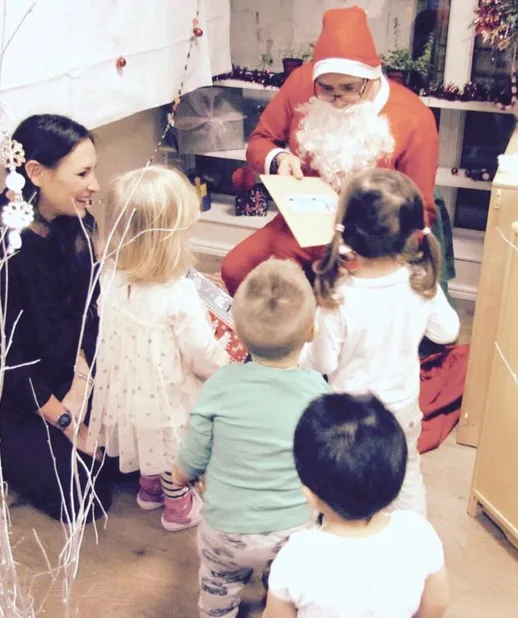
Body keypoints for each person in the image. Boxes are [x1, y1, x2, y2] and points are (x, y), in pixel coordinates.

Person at [0, 114, 117, 523]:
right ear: (35, 172)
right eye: (83, 173)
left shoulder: (71, 219)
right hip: (2, 392)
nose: (95, 185)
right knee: (85, 496)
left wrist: (82, 383)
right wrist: (68, 420)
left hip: (61, 371)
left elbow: (85, 309)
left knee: (133, 455)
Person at [220, 6, 439, 296]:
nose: (337, 100)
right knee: (235, 270)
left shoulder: (414, 116)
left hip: (367, 244)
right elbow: (260, 142)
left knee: (346, 308)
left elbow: (421, 211)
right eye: (326, 88)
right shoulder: (301, 83)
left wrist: (380, 253)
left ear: (372, 78)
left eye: (349, 88)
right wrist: (279, 159)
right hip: (300, 227)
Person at [172, 259, 330, 618]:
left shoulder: (221, 384)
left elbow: (196, 449)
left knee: (217, 584)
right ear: (311, 332)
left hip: (226, 529)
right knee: (286, 586)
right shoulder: (317, 390)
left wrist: (182, 474)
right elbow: (324, 460)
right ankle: (277, 598)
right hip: (292, 531)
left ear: (237, 334)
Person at [300, 169, 460, 517]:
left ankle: (340, 537)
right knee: (408, 475)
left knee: (340, 481)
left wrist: (300, 353)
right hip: (402, 408)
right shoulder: (420, 283)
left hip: (349, 416)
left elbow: (321, 363)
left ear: (348, 232)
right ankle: (413, 542)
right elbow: (448, 332)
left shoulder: (338, 297)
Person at [88, 165, 229, 532]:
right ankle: (177, 505)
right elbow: (199, 354)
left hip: (127, 387)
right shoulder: (178, 295)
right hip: (168, 393)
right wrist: (225, 362)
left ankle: (149, 488)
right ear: (168, 239)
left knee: (148, 437)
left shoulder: (110, 276)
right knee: (175, 447)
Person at [263, 392, 451, 618]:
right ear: (397, 480)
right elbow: (438, 602)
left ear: (310, 496)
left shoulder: (296, 557)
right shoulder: (418, 534)